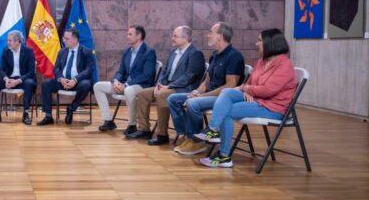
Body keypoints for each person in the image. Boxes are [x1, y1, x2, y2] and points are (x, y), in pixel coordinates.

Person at [194, 28, 297, 168]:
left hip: (272, 108)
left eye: (260, 40)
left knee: (227, 112)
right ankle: (213, 130)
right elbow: (251, 83)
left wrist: (247, 89)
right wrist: (248, 89)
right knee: (227, 92)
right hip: (257, 99)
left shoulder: (284, 65)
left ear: (270, 43)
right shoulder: (262, 62)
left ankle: (224, 156)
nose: (256, 43)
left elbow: (268, 90)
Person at [170, 23, 245, 156]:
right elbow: (206, 81)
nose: (208, 35)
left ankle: (197, 142)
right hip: (209, 94)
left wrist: (202, 96)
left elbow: (230, 86)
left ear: (220, 36)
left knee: (193, 103)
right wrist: (197, 92)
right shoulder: (215, 55)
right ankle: (188, 136)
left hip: (222, 98)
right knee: (173, 99)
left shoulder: (234, 56)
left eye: (211, 32)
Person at [127, 26, 205, 146]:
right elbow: (164, 71)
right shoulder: (173, 52)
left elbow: (189, 76)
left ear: (186, 38)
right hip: (167, 86)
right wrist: (160, 84)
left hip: (183, 88)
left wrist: (168, 87)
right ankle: (144, 129)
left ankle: (162, 134)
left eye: (175, 36)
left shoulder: (195, 53)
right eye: (173, 35)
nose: (172, 38)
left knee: (162, 95)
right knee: (143, 94)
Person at [93, 25, 156, 133]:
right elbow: (121, 71)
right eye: (127, 34)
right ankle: (108, 121)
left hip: (142, 85)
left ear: (139, 36)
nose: (127, 36)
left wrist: (126, 85)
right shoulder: (127, 51)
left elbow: (147, 75)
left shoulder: (149, 52)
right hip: (124, 84)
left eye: (130, 34)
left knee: (128, 90)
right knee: (98, 86)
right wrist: (116, 81)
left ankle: (132, 125)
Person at [37, 28, 94, 126]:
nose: (64, 40)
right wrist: (61, 78)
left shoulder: (86, 52)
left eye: (67, 39)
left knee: (86, 84)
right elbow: (57, 69)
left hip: (77, 82)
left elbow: (88, 70)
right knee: (46, 83)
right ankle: (48, 115)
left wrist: (75, 79)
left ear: (75, 39)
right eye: (64, 38)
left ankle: (72, 108)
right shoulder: (62, 51)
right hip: (62, 81)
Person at [0, 31, 36, 126]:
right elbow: (1, 70)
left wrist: (18, 81)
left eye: (10, 41)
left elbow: (31, 72)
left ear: (17, 41)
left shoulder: (28, 51)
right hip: (9, 79)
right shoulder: (6, 51)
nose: (8, 43)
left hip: (23, 79)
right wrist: (6, 79)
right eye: (7, 40)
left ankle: (26, 113)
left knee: (30, 83)